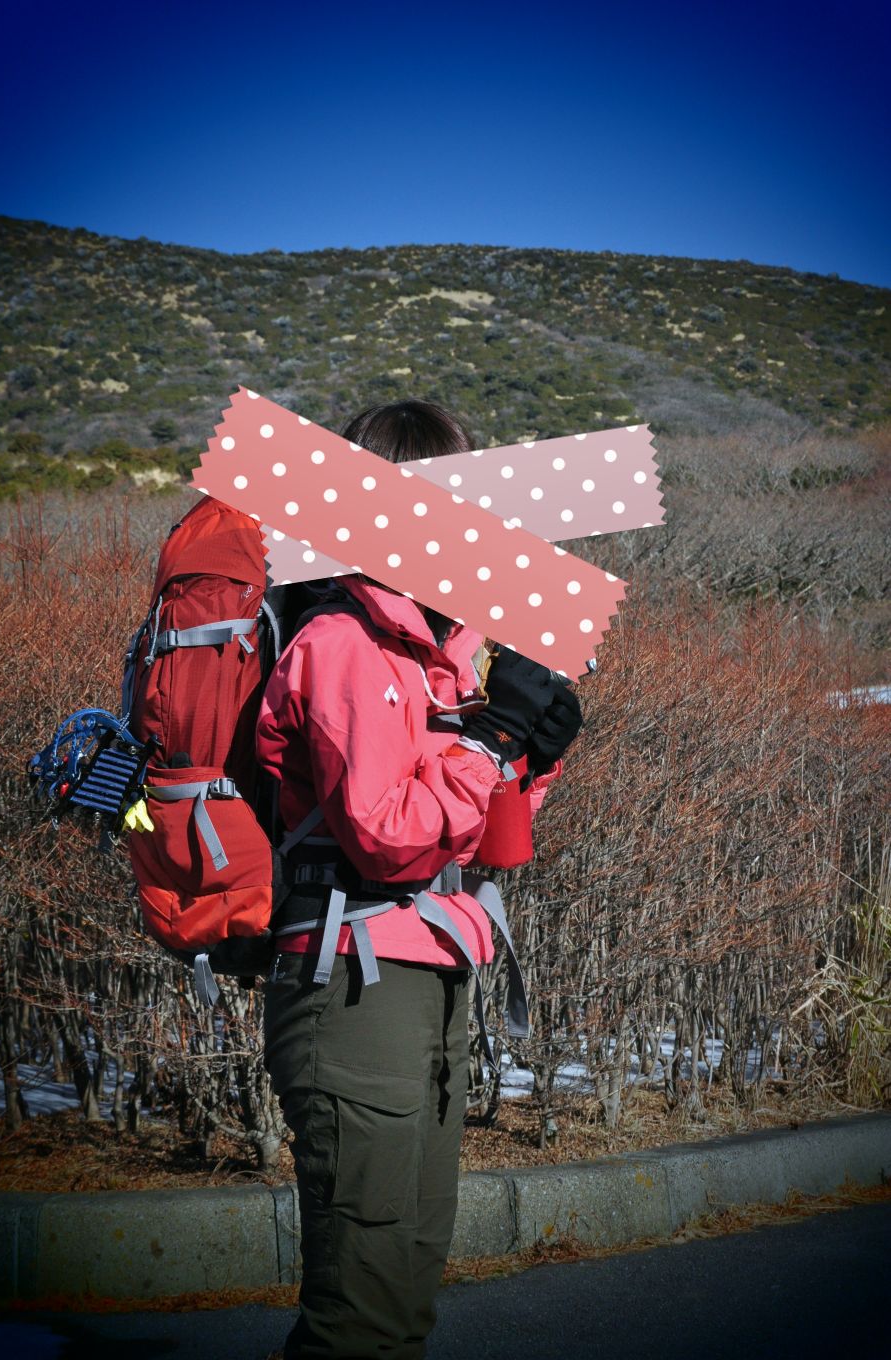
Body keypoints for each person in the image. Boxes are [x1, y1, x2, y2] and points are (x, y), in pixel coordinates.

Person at [256, 399, 582, 1359]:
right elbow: (389, 839)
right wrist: (491, 736)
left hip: (426, 970)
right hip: (354, 982)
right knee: (362, 1312)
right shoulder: (347, 644)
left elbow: (470, 831)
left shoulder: (434, 649)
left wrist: (526, 755)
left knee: (403, 1293)